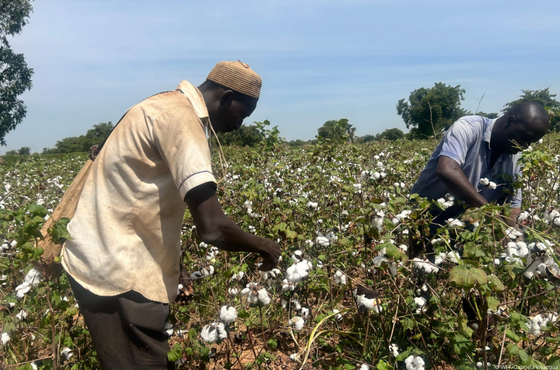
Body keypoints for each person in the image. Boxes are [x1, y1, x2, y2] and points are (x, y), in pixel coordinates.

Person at [61, 61, 282, 369]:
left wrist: (174, 265)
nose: (239, 125)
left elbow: (139, 196)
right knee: (148, 362)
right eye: (242, 114)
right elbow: (213, 228)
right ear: (227, 97)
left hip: (89, 258)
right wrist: (264, 246)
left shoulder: (158, 104)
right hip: (123, 271)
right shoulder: (182, 120)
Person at [410, 101, 549, 239]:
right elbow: (447, 169)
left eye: (530, 143)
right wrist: (488, 211)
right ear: (510, 121)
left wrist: (513, 238)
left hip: (462, 234)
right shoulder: (468, 128)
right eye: (524, 138)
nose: (524, 146)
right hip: (423, 222)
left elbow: (513, 206)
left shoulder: (516, 158)